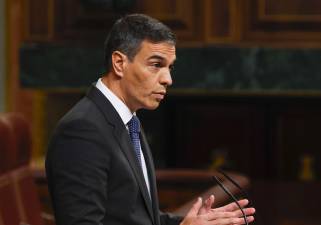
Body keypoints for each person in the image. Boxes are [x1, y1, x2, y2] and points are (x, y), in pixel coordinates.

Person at [45, 13, 255, 225]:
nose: (168, 79)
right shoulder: (82, 130)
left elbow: (140, 219)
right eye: (156, 64)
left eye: (169, 67)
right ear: (119, 63)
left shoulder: (130, 122)